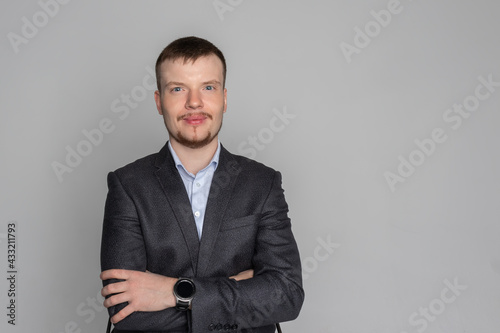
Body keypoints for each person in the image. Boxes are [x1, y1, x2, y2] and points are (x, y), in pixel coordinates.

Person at [100, 36, 304, 333]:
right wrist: (236, 291)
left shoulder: (263, 184)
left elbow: (286, 296)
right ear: (159, 102)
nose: (194, 102)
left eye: (208, 87)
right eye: (178, 89)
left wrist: (174, 291)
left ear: (224, 98)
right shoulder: (127, 185)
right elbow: (126, 312)